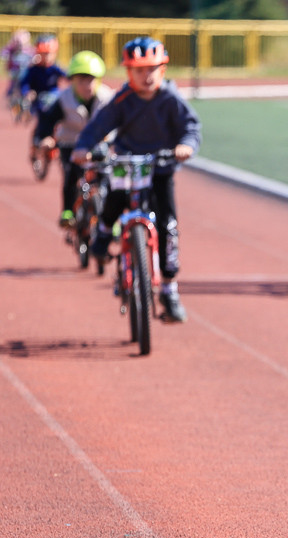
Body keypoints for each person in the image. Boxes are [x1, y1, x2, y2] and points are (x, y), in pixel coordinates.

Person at [72, 37, 201, 324]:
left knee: (168, 225)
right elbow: (97, 126)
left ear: (163, 70)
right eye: (139, 70)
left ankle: (169, 289)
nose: (147, 76)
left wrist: (186, 145)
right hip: (127, 161)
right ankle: (104, 235)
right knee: (114, 198)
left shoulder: (170, 99)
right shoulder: (122, 99)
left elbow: (190, 126)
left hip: (160, 166)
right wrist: (83, 147)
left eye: (152, 69)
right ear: (129, 72)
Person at [34, 51, 114, 227]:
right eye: (81, 80)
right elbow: (47, 120)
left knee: (108, 177)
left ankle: (110, 220)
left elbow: (121, 122)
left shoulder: (108, 99)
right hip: (71, 142)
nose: (86, 85)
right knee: (71, 174)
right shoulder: (64, 99)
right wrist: (46, 137)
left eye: (90, 80)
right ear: (72, 81)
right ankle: (68, 210)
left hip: (99, 143)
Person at [19, 34, 66, 159]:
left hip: (54, 98)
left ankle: (55, 141)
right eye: (44, 54)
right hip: (39, 100)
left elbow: (67, 76)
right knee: (42, 117)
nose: (46, 57)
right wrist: (28, 93)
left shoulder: (55, 68)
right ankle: (37, 143)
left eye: (49, 54)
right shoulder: (34, 69)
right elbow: (25, 83)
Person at [1, 29, 33, 102]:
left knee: (25, 82)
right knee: (13, 81)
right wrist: (5, 55)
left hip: (24, 71)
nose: (20, 46)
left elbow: (33, 55)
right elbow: (3, 52)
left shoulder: (29, 49)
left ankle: (23, 94)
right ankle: (10, 93)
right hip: (14, 70)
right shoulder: (12, 49)